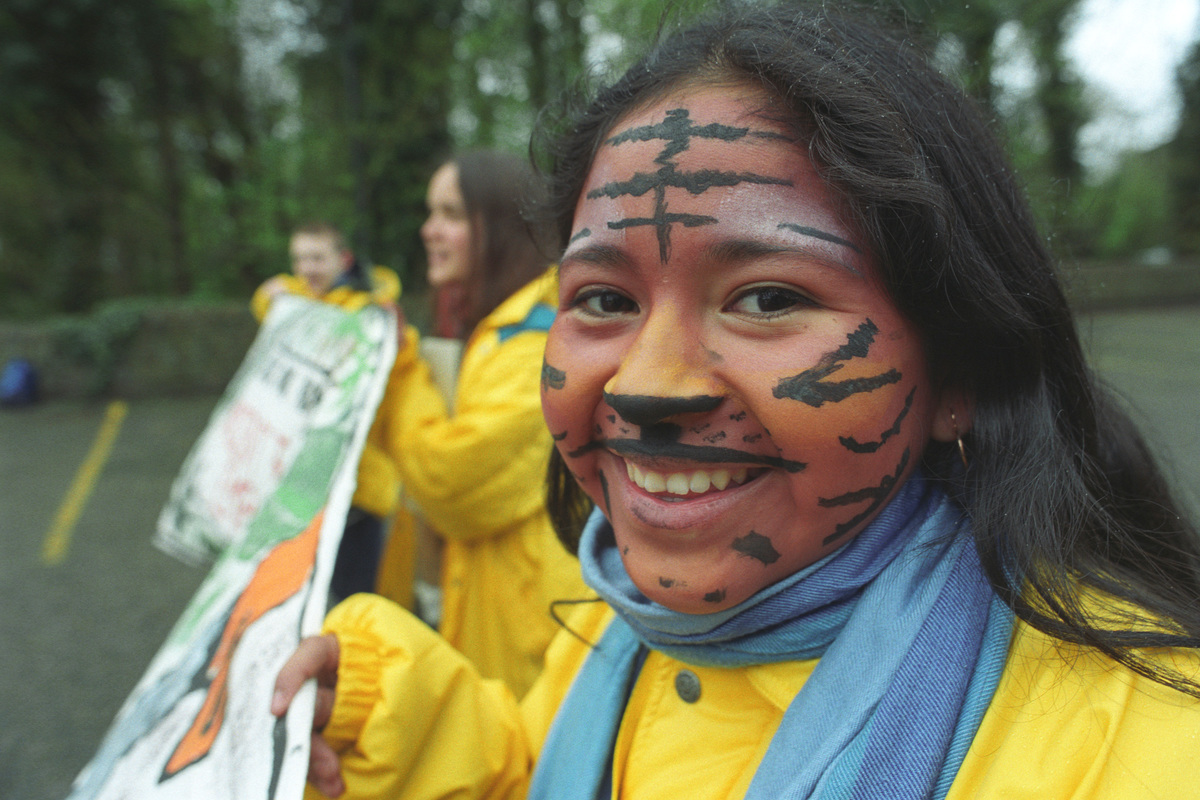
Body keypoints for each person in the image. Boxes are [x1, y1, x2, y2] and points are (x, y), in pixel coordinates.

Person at [273, 5, 1200, 799]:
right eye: (604, 299)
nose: (647, 383)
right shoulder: (624, 620)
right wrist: (382, 718)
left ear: (956, 368)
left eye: (768, 298)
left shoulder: (1148, 748)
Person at [368, 149, 589, 696]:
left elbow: (451, 479)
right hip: (505, 629)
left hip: (537, 657)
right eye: (430, 212)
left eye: (449, 214)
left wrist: (399, 373)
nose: (428, 230)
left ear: (497, 227)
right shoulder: (504, 326)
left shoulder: (538, 344)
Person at [251, 221, 402, 602]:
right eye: (299, 259)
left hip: (356, 482)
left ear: (344, 259)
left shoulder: (369, 308)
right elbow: (269, 305)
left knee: (355, 591)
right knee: (302, 590)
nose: (307, 269)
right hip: (303, 481)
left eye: (317, 258)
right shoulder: (301, 299)